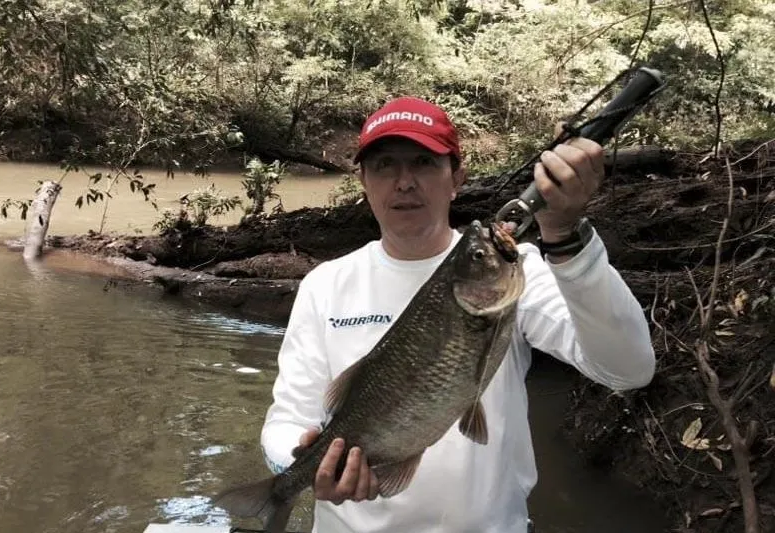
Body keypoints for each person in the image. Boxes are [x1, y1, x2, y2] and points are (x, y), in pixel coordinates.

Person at [258, 96, 656, 533]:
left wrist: (563, 237)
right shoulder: (325, 284)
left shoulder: (515, 272)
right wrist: (302, 464)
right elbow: (288, 420)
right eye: (385, 165)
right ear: (364, 181)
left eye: (424, 163)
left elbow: (628, 369)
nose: (404, 182)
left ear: (456, 178)